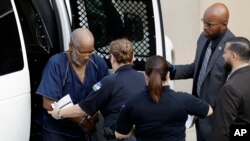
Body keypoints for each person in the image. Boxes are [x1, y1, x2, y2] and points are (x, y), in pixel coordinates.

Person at [48, 38, 146, 141]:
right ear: (133, 57)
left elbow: (83, 108)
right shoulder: (144, 79)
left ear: (112, 57)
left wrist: (59, 113)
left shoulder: (109, 82)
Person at [169, 3, 235, 141]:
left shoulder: (232, 47)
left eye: (209, 24)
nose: (205, 27)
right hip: (199, 111)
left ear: (223, 24)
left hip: (217, 118)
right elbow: (197, 68)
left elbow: (234, 86)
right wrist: (171, 70)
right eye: (204, 22)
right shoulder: (203, 37)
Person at [114, 55, 213, 141]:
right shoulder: (182, 100)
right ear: (168, 75)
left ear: (145, 75)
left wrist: (136, 130)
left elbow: (119, 134)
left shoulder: (133, 101)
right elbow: (208, 110)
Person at [36, 28, 110, 141]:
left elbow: (107, 92)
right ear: (71, 46)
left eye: (90, 52)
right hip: (58, 131)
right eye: (82, 53)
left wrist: (96, 113)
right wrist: (81, 121)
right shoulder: (56, 64)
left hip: (85, 131)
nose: (86, 57)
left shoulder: (97, 63)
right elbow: (48, 103)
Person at [211, 37, 250, 141]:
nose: (223, 56)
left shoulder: (230, 88)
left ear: (233, 56)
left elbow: (221, 132)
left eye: (225, 53)